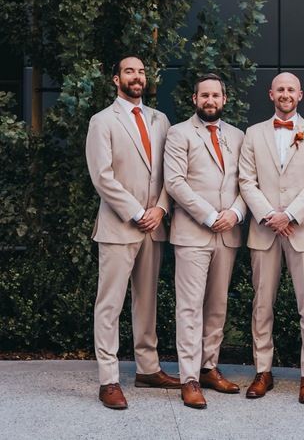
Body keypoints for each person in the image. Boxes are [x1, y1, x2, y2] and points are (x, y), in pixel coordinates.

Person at [86, 55, 180, 410]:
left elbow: (172, 172)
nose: (136, 76)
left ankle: (148, 368)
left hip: (154, 226)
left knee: (147, 301)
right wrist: (138, 211)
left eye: (141, 71)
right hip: (119, 226)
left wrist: (160, 208)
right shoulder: (102, 121)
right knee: (109, 304)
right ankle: (108, 379)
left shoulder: (161, 120)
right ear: (116, 79)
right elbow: (102, 176)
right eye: (129, 71)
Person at [239, 72, 304, 404]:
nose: (286, 94)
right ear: (271, 94)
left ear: (300, 95)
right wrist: (269, 216)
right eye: (280, 89)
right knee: (262, 305)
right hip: (263, 231)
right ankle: (263, 371)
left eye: (291, 89)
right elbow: (246, 181)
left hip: (302, 231)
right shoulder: (253, 133)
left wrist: (289, 215)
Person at [164, 74, 246, 409]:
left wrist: (236, 214)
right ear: (194, 99)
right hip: (193, 232)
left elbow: (248, 182)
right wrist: (211, 215)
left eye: (215, 95)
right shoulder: (179, 133)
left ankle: (209, 366)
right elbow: (175, 182)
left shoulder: (239, 137)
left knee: (217, 306)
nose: (209, 100)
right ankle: (189, 378)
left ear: (224, 99)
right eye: (204, 95)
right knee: (189, 306)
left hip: (228, 233)